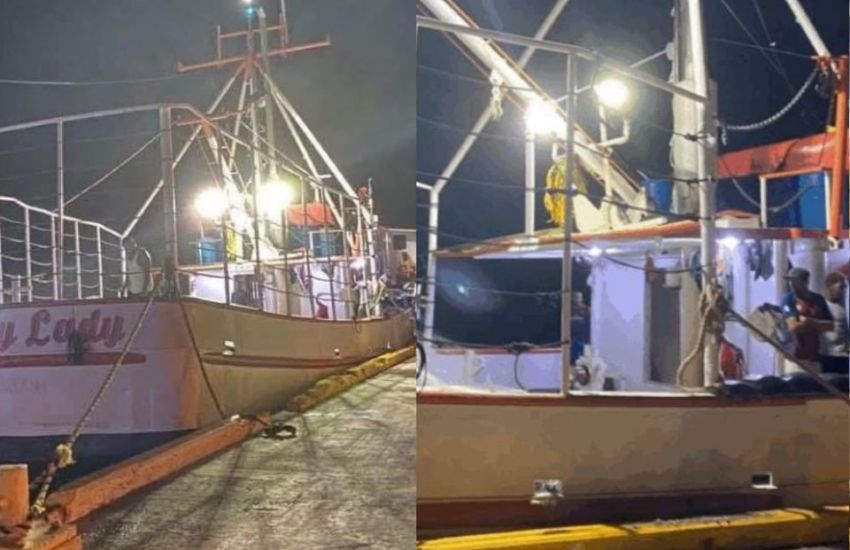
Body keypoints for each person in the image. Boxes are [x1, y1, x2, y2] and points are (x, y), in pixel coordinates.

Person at [781, 267, 833, 374]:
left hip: (815, 357)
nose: (792, 284)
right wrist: (818, 326)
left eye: (795, 281)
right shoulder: (789, 299)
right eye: (790, 281)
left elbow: (830, 325)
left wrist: (808, 321)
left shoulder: (818, 299)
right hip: (795, 359)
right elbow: (794, 327)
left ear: (805, 282)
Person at [820, 271, 848, 374]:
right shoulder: (820, 304)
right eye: (840, 287)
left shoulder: (844, 306)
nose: (843, 291)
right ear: (829, 286)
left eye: (844, 288)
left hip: (844, 355)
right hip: (827, 356)